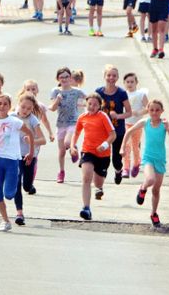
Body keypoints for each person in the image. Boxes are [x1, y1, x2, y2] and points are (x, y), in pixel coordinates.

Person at [120, 100, 169, 227]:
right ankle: (143, 188)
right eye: (151, 110)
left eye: (157, 110)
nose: (154, 112)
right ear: (148, 110)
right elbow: (129, 131)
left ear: (162, 111)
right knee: (150, 179)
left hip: (160, 160)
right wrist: (122, 147)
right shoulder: (145, 122)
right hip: (148, 159)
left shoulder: (165, 124)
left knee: (156, 190)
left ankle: (153, 213)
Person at [0, 94, 34, 232]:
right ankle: (5, 220)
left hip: (12, 161)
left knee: (9, 194)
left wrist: (30, 152)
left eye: (5, 104)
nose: (2, 106)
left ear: (9, 106)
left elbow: (30, 133)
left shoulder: (14, 121)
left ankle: (10, 210)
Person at [71, 93, 116, 221]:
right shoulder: (82, 117)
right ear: (86, 104)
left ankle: (99, 187)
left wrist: (105, 144)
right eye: (90, 104)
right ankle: (86, 208)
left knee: (98, 182)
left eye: (95, 105)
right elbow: (76, 132)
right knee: (86, 178)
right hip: (88, 151)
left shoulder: (103, 117)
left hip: (103, 153)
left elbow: (113, 135)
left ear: (99, 106)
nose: (92, 106)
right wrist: (73, 146)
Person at [12, 93, 46, 226]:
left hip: (30, 156)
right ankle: (19, 213)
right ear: (18, 105)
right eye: (23, 107)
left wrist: (32, 140)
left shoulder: (33, 120)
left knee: (26, 185)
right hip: (15, 155)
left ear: (32, 109)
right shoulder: (12, 117)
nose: (25, 110)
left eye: (28, 108)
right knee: (17, 182)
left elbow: (43, 140)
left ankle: (30, 186)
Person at [95, 64, 132, 185]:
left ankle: (118, 170)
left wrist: (118, 116)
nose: (111, 78)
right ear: (104, 76)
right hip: (102, 131)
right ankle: (102, 174)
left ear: (117, 78)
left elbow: (129, 112)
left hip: (117, 131)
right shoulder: (98, 92)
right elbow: (92, 108)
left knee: (116, 159)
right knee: (103, 155)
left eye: (114, 76)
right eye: (109, 75)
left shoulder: (121, 93)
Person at [49, 67, 86, 183]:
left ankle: (72, 148)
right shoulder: (55, 91)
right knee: (61, 151)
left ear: (70, 78)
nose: (64, 79)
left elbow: (90, 98)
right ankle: (61, 171)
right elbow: (53, 108)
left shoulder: (76, 91)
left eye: (66, 77)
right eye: (61, 77)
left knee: (67, 142)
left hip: (73, 121)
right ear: (58, 79)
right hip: (61, 123)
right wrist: (57, 100)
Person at [122, 73, 148, 179]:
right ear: (124, 83)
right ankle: (126, 168)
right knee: (126, 146)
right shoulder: (123, 94)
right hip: (126, 123)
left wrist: (139, 112)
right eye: (127, 82)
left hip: (137, 124)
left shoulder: (141, 94)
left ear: (136, 82)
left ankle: (137, 163)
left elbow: (148, 107)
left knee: (135, 146)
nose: (130, 84)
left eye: (132, 81)